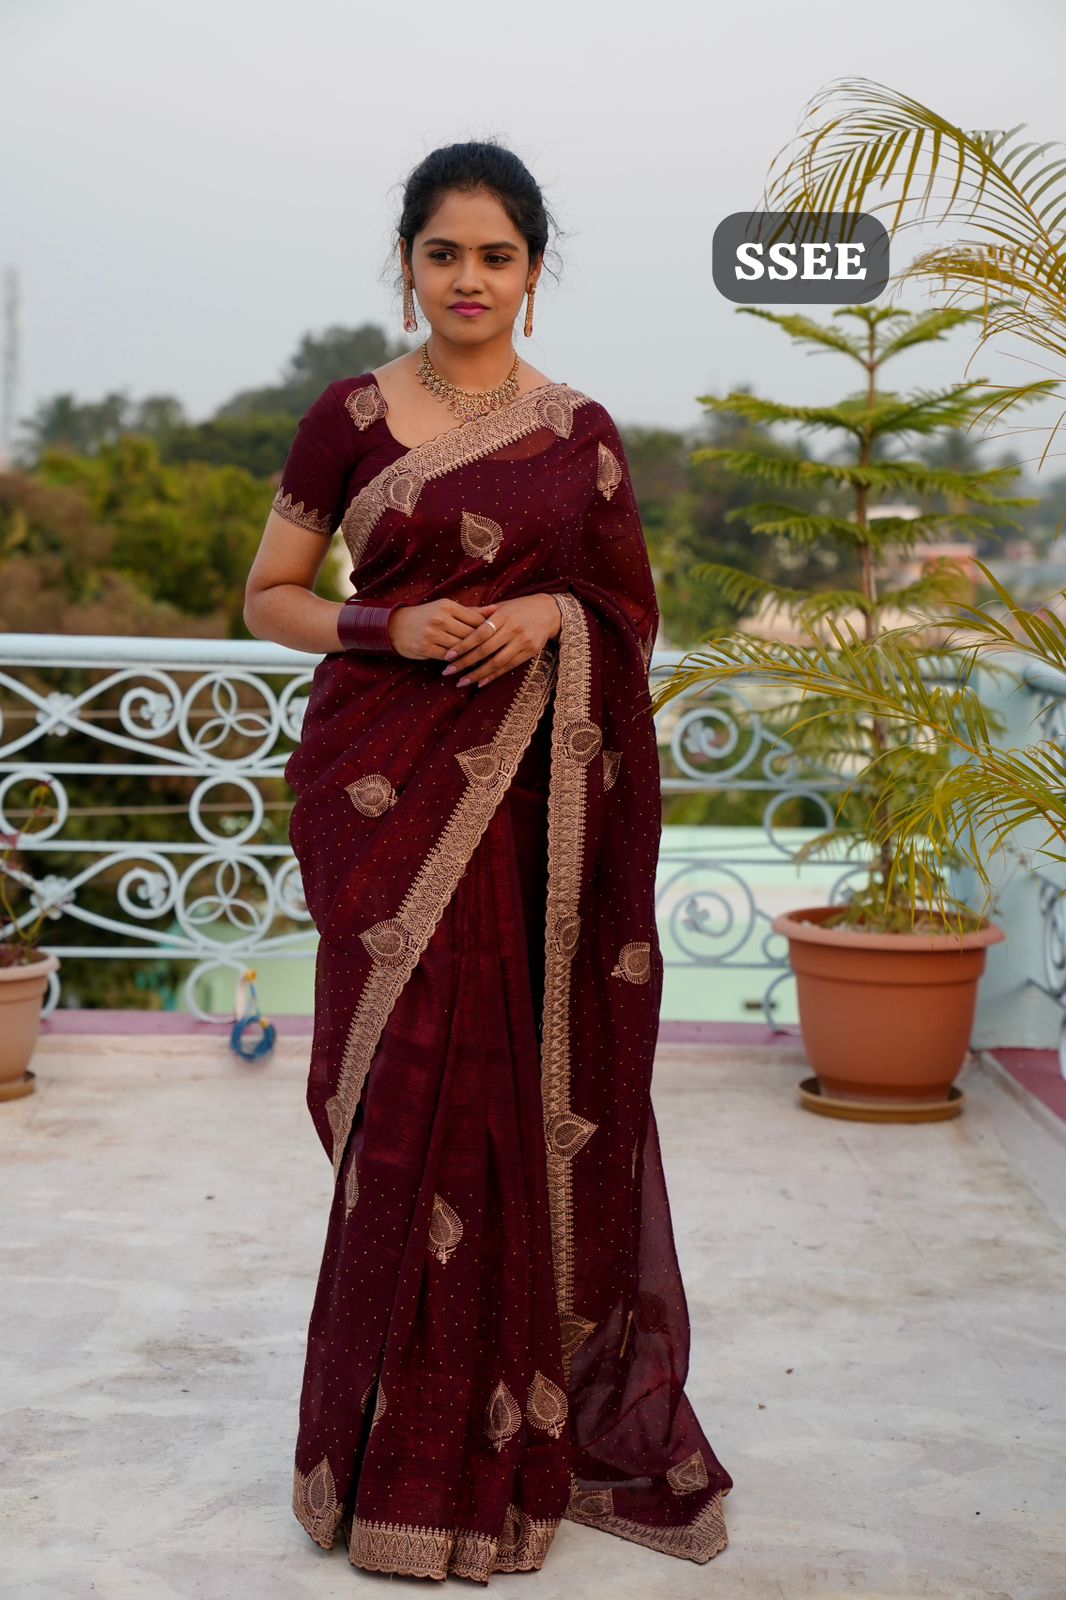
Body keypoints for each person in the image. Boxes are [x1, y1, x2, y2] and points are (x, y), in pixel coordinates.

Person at [243, 139, 733, 1585]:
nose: (469, 278)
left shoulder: (580, 436)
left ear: (534, 270)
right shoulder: (347, 418)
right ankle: (375, 1457)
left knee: (507, 1110)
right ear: (407, 263)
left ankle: (495, 1452)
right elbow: (269, 595)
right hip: (382, 791)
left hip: (527, 815)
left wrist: (552, 621)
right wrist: (386, 626)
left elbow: (627, 617)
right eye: (444, 252)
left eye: (496, 255)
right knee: (400, 1107)